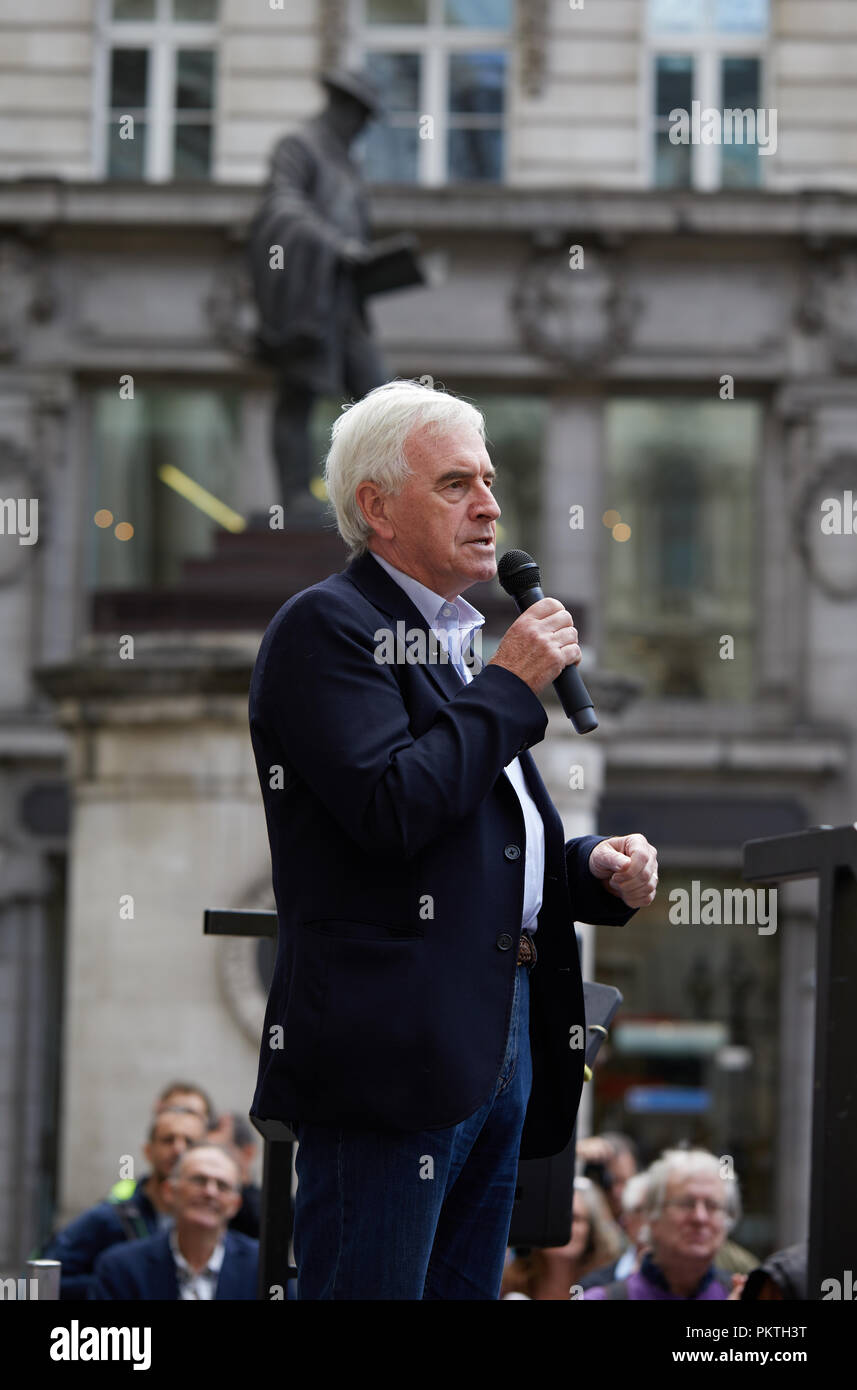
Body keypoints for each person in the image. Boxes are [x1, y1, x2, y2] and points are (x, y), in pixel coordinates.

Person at [248, 377, 658, 1299]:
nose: (490, 506)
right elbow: (393, 810)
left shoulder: (457, 648)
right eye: (455, 484)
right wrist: (510, 687)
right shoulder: (329, 628)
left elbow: (477, 844)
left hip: (495, 1037)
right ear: (376, 508)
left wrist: (589, 869)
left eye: (489, 481)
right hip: (390, 1056)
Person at [247, 68, 387, 510]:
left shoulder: (348, 163)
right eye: (361, 117)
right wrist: (335, 246)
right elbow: (281, 207)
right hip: (308, 294)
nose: (362, 128)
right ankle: (292, 497)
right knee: (299, 392)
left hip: (345, 297)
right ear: (343, 108)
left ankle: (378, 493)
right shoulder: (299, 146)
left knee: (377, 397)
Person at [43, 1106, 206, 1299]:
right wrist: (117, 1282)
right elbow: (43, 1281)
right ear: (148, 1150)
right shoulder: (109, 1219)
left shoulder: (211, 1224)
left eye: (190, 1142)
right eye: (168, 1140)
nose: (179, 1149)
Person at [90, 1145, 258, 1300]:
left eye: (222, 1185)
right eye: (199, 1180)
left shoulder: (261, 1267)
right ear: (169, 1191)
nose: (210, 1192)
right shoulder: (122, 1269)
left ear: (236, 1204)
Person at [583, 1148, 741, 1300]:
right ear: (652, 1215)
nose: (700, 1217)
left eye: (712, 1206)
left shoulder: (743, 1294)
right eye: (686, 1204)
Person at [501, 1176, 624, 1299]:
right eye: (554, 1217)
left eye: (574, 1218)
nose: (563, 1227)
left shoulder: (609, 1286)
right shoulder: (510, 1284)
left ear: (591, 1230)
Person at [579, 1169, 650, 1290]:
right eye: (640, 1211)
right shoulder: (594, 1286)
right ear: (626, 1220)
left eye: (657, 1211)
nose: (650, 1220)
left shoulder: (687, 1283)